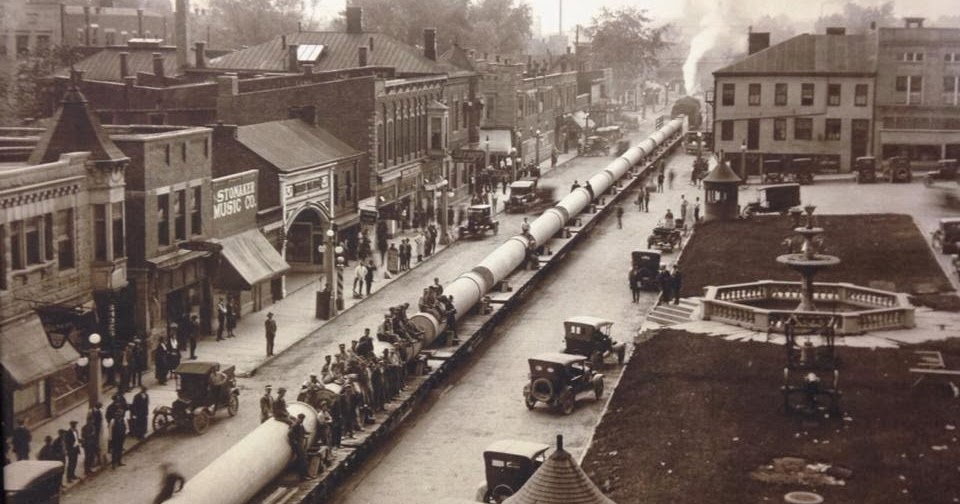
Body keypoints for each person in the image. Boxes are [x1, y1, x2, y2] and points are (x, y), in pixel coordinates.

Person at [288, 414, 312, 480]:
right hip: (297, 445)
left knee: (304, 458)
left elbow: (303, 432)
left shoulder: (301, 425)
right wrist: (294, 441)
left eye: (302, 419)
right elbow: (290, 434)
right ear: (298, 418)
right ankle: (303, 476)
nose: (301, 420)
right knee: (302, 459)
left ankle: (306, 474)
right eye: (300, 419)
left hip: (300, 444)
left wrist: (308, 433)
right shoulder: (295, 425)